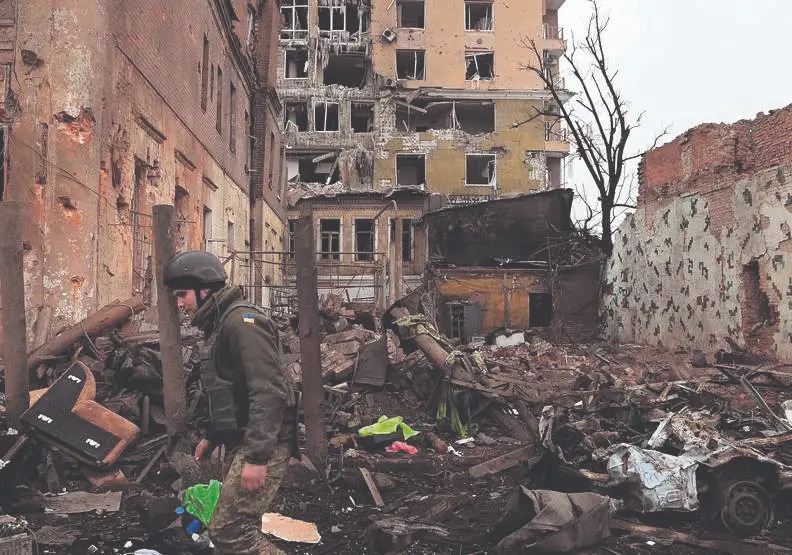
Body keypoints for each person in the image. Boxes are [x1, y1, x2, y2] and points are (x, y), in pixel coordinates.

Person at [163, 250, 297, 555]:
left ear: (204, 289)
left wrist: (257, 458)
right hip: (244, 439)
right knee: (238, 526)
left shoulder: (242, 323)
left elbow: (268, 391)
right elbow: (225, 388)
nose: (180, 303)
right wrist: (212, 435)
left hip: (264, 442)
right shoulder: (221, 324)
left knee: (230, 532)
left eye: (182, 294)